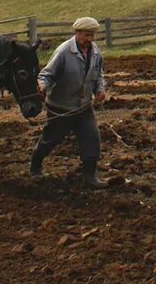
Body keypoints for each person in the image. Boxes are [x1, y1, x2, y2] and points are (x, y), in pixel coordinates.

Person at [29, 16, 108, 188]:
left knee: (92, 139)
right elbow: (46, 75)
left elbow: (98, 74)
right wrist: (42, 86)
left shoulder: (95, 52)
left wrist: (100, 90)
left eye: (92, 35)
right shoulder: (64, 51)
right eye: (86, 35)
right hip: (61, 108)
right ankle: (35, 165)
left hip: (84, 108)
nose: (90, 39)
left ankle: (90, 176)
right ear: (77, 32)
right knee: (51, 139)